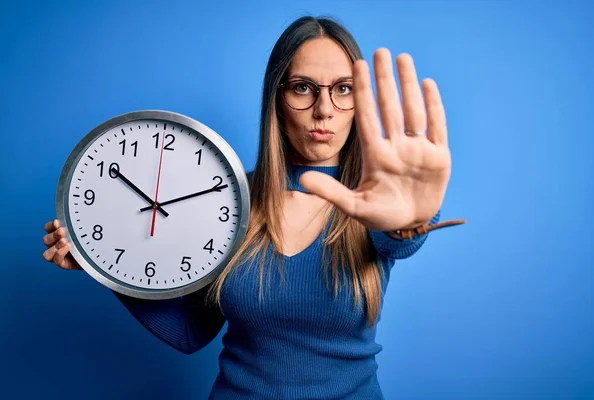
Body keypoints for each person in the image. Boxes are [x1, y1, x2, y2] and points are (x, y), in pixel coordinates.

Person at [42, 15, 464, 399]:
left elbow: (399, 238)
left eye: (343, 90)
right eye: (303, 88)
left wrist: (412, 220)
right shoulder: (226, 200)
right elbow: (190, 331)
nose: (323, 110)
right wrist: (103, 266)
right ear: (277, 98)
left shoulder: (375, 203)